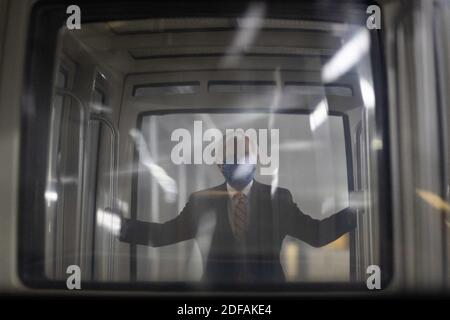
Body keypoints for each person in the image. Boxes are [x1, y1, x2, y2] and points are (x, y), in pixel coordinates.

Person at [119, 132, 356, 283]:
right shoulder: (202, 201)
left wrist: (356, 211)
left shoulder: (279, 199)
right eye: (233, 157)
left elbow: (316, 234)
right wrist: (118, 226)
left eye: (247, 156)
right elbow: (163, 235)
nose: (241, 162)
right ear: (220, 166)